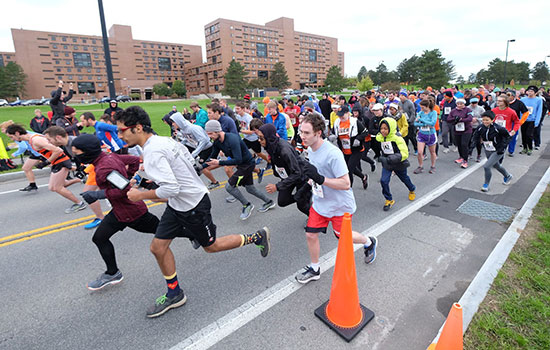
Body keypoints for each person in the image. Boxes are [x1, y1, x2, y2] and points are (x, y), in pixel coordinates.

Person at [114, 106, 271, 318]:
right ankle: (175, 293)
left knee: (211, 247)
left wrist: (140, 195)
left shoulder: (153, 150)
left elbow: (172, 189)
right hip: (178, 205)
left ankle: (256, 236)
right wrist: (145, 180)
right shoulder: (163, 141)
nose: (119, 135)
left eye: (122, 130)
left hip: (194, 206)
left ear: (138, 128)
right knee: (158, 248)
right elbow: (182, 166)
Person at [295, 113, 377, 284]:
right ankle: (315, 268)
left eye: (306, 133)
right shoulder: (310, 149)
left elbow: (346, 183)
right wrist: (309, 182)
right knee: (310, 234)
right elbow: (316, 174)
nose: (302, 136)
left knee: (342, 237)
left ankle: (369, 242)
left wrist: (320, 179)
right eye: (300, 131)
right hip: (320, 202)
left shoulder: (333, 153)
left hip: (340, 205)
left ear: (318, 133)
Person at [5, 124, 86, 213]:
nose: (12, 139)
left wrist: (46, 162)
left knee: (57, 187)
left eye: (11, 137)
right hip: (57, 162)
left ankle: (79, 203)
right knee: (53, 187)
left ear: (17, 133)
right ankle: (80, 179)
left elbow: (58, 150)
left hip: (61, 162)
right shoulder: (32, 139)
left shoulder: (36, 140)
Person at [204, 120, 275, 219]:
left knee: (229, 186)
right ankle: (269, 202)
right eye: (208, 134)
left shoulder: (232, 139)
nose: (209, 136)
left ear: (217, 131)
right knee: (250, 189)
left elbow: (238, 159)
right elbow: (212, 157)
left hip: (247, 165)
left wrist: (220, 162)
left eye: (210, 133)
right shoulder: (217, 142)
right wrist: (200, 167)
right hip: (241, 165)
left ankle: (247, 205)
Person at [44, 126, 105, 229]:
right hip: (94, 167)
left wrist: (86, 170)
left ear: (58, 137)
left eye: (49, 139)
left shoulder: (74, 143)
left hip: (97, 167)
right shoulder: (68, 144)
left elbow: (95, 155)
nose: (48, 142)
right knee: (109, 191)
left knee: (88, 194)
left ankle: (101, 218)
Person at [258, 123, 312, 215]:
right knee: (282, 201)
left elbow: (297, 172)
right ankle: (303, 196)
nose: (259, 140)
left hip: (300, 176)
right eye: (258, 138)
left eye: (261, 138)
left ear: (269, 137)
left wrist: (277, 186)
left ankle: (314, 220)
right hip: (288, 176)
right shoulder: (270, 145)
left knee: (302, 206)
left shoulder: (284, 150)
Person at [169, 112, 220, 189]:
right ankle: (220, 163)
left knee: (202, 168)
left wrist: (195, 153)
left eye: (173, 122)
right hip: (201, 150)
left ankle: (215, 181)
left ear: (178, 121)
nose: (172, 124)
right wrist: (178, 145)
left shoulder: (193, 128)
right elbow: (187, 139)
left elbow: (205, 140)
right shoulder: (183, 130)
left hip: (207, 149)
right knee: (201, 168)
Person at [376, 117, 416, 211]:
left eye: (386, 129)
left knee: (404, 178)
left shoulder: (397, 139)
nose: (383, 131)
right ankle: (389, 199)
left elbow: (405, 153)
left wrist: (391, 158)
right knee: (384, 181)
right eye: (381, 128)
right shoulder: (380, 138)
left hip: (399, 163)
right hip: (387, 164)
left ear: (391, 128)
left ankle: (411, 189)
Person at [469, 111, 513, 192]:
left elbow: (508, 137)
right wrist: (472, 145)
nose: (485, 122)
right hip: (488, 149)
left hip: (498, 150)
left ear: (492, 120)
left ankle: (486, 184)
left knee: (487, 166)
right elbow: (475, 136)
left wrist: (502, 147)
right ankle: (507, 176)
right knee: (496, 166)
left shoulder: (498, 128)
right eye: (483, 120)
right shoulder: (480, 127)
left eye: (487, 120)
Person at [333, 105, 369, 189]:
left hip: (356, 150)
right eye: (339, 115)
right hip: (345, 150)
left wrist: (358, 139)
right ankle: (363, 177)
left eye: (343, 115)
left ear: (348, 113)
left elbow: (365, 132)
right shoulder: (337, 123)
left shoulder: (355, 122)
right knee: (349, 168)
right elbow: (333, 133)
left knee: (348, 171)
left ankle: (348, 190)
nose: (341, 117)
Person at [0, 120, 42, 190]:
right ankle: (32, 185)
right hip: (36, 152)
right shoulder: (17, 133)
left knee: (54, 164)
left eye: (2, 129)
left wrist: (16, 153)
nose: (1, 131)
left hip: (41, 151)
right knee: (26, 168)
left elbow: (23, 146)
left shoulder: (16, 135)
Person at [413, 99, 438, 174]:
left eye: (422, 107)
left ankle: (433, 166)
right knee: (420, 152)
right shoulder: (420, 113)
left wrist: (421, 120)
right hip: (421, 134)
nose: (421, 109)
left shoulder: (433, 113)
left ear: (427, 106)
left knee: (432, 152)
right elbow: (415, 123)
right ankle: (420, 166)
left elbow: (433, 123)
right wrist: (424, 124)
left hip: (431, 135)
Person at [447, 99, 473, 168]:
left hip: (467, 130)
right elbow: (448, 119)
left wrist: (461, 119)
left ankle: (465, 160)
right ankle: (461, 157)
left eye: (461, 104)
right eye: (458, 104)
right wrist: (454, 118)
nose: (459, 105)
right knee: (459, 144)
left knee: (464, 144)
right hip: (457, 130)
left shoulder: (468, 110)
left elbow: (470, 118)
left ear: (464, 104)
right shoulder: (453, 111)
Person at [520, 86, 544, 155]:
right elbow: (520, 110)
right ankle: (524, 148)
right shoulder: (523, 99)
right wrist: (520, 119)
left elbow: (539, 111)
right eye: (529, 91)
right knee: (523, 134)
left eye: (532, 91)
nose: (530, 93)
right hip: (524, 120)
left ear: (535, 93)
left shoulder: (538, 100)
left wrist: (537, 121)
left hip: (532, 120)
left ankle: (530, 148)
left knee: (529, 135)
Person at [506, 90, 529, 156]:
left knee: (513, 136)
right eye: (506, 95)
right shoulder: (504, 103)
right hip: (505, 121)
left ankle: (511, 151)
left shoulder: (519, 103)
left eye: (509, 95)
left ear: (513, 96)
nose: (507, 97)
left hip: (514, 122)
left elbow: (526, 112)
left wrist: (521, 121)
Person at [468, 98, 486, 162]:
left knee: (478, 141)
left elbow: (485, 118)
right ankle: (469, 153)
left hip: (478, 127)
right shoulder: (468, 108)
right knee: (469, 140)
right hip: (470, 126)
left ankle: (479, 154)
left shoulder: (481, 109)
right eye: (473, 103)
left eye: (475, 103)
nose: (474, 104)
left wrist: (477, 119)